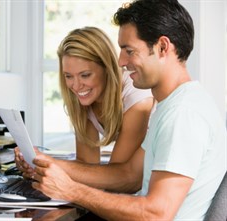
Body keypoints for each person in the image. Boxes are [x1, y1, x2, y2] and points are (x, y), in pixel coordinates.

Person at [28, 0, 226, 220]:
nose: (121, 61)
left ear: (162, 47)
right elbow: (129, 175)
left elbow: (156, 214)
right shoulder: (171, 105)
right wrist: (50, 165)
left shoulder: (183, 114)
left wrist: (72, 190)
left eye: (129, 51)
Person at [15, 27, 154, 176]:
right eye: (68, 76)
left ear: (107, 68)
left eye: (85, 75)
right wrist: (38, 166)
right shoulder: (85, 99)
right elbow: (87, 164)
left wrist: (50, 163)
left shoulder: (138, 98)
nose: (75, 86)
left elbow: (115, 175)